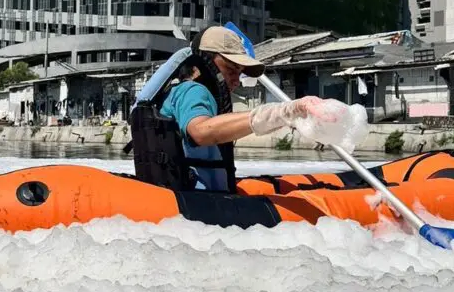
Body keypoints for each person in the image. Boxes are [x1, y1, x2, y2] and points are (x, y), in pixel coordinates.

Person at [128, 25, 334, 193]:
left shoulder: (177, 91)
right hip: (197, 202)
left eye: (240, 72)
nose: (237, 81)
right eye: (230, 70)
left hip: (183, 195)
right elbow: (200, 131)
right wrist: (279, 113)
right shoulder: (194, 91)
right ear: (203, 64)